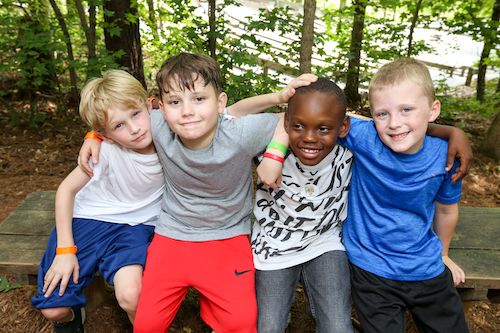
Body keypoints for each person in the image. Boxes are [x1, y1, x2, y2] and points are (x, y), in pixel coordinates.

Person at [78, 52, 317, 333]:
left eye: (199, 99)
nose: (187, 111)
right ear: (161, 108)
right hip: (172, 237)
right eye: (175, 102)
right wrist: (92, 136)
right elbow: (116, 116)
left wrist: (275, 150)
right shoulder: (157, 126)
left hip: (227, 237)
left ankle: (213, 310)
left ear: (220, 103)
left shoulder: (240, 133)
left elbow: (296, 116)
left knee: (242, 323)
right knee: (147, 324)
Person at [339, 58, 470, 332]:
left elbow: (447, 209)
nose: (394, 123)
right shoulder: (364, 137)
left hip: (425, 265)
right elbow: (313, 116)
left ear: (433, 110)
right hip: (370, 266)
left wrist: (443, 255)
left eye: (406, 109)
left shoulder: (446, 157)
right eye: (382, 114)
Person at [31, 69, 165, 332]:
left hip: (137, 226)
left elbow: (213, 112)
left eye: (136, 114)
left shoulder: (171, 129)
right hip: (90, 220)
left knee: (131, 295)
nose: (134, 129)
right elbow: (66, 191)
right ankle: (73, 319)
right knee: (53, 309)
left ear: (150, 105)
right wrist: (65, 250)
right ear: (105, 134)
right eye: (119, 126)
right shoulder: (103, 150)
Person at [251, 78, 354, 333]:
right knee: (268, 327)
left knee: (338, 327)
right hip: (274, 246)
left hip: (324, 242)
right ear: (285, 123)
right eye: (298, 125)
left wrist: (451, 132)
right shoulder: (269, 145)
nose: (309, 138)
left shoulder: (351, 150)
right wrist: (276, 141)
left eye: (322, 129)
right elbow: (227, 117)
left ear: (342, 127)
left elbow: (395, 127)